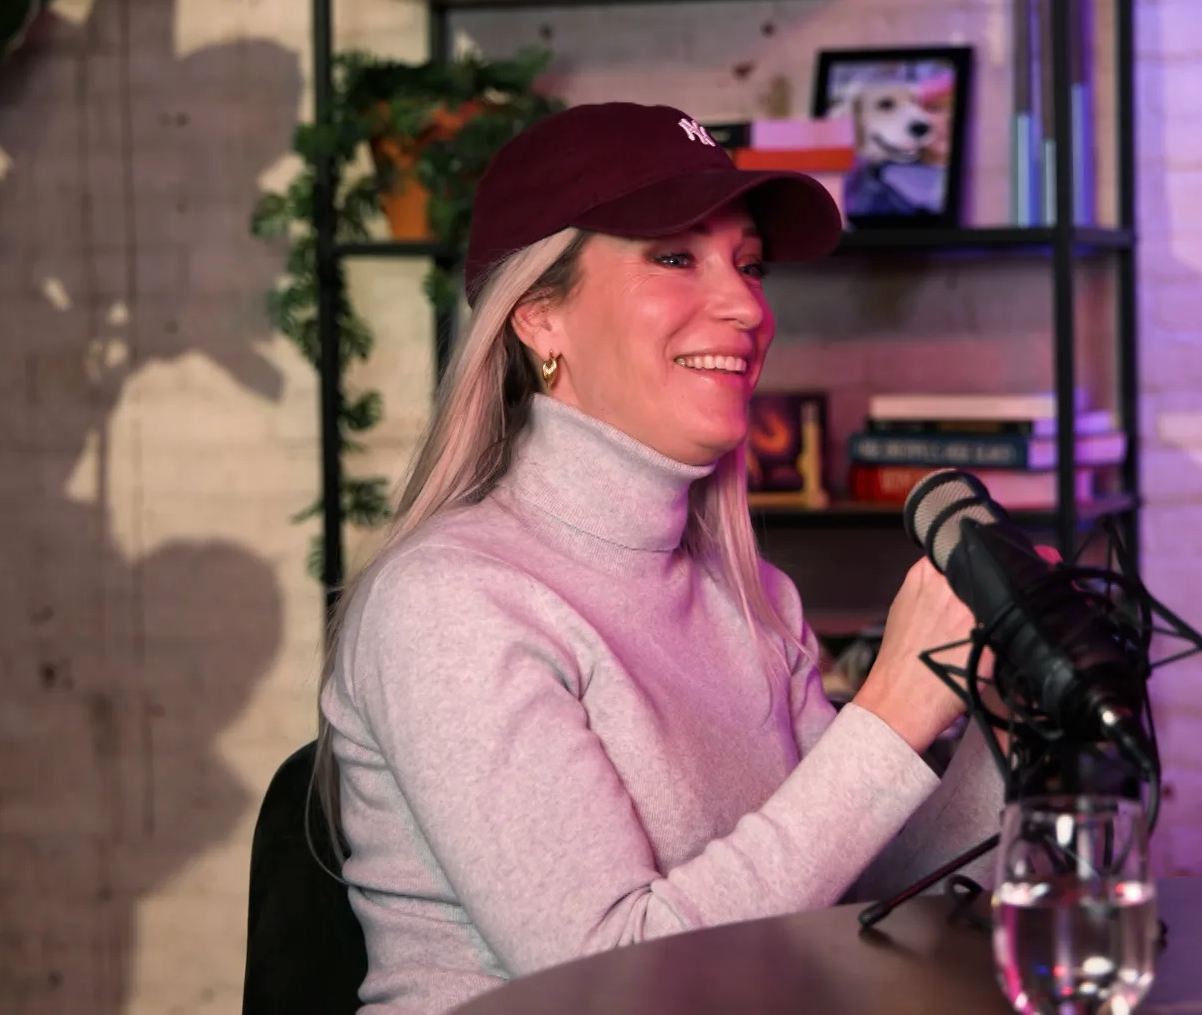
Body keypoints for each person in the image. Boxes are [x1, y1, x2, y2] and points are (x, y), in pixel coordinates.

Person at [313, 101, 1005, 1013]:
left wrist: (1010, 727)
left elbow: (870, 896)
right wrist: (893, 709)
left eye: (749, 265)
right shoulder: (450, 604)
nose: (746, 307)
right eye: (675, 258)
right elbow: (610, 978)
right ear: (539, 317)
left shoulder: (753, 599)